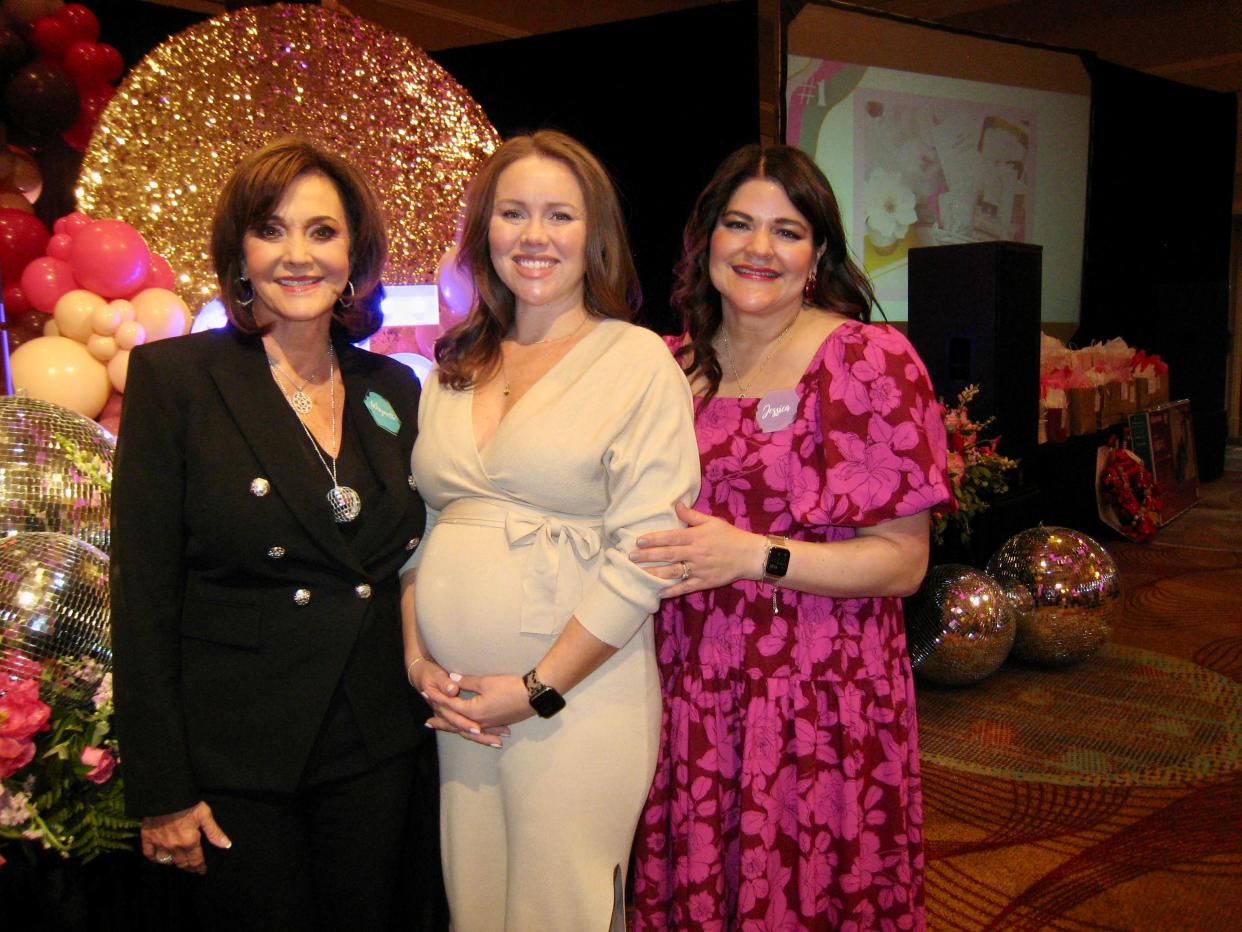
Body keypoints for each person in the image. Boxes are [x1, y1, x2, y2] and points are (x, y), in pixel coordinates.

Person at [111, 138, 437, 930]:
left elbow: (410, 558)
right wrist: (161, 791)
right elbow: (142, 596)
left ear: (354, 253)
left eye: (321, 232)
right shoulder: (177, 380)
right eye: (271, 230)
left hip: (375, 743)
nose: (298, 255)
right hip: (239, 760)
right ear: (240, 252)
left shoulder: (391, 385)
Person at [629, 144, 950, 930]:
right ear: (706, 240)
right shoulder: (670, 366)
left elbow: (904, 563)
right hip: (689, 684)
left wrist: (752, 555)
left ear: (818, 256)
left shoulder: (865, 359)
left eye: (787, 230)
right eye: (738, 224)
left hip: (820, 695)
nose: (758, 248)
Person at [400, 130, 700, 931]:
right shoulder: (451, 368)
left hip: (574, 700)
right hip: (462, 705)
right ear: (484, 231)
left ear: (592, 234)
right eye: (513, 213)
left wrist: (536, 691)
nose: (534, 236)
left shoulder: (636, 362)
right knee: (478, 906)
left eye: (559, 215)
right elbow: (421, 534)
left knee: (556, 909)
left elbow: (645, 560)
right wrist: (418, 658)